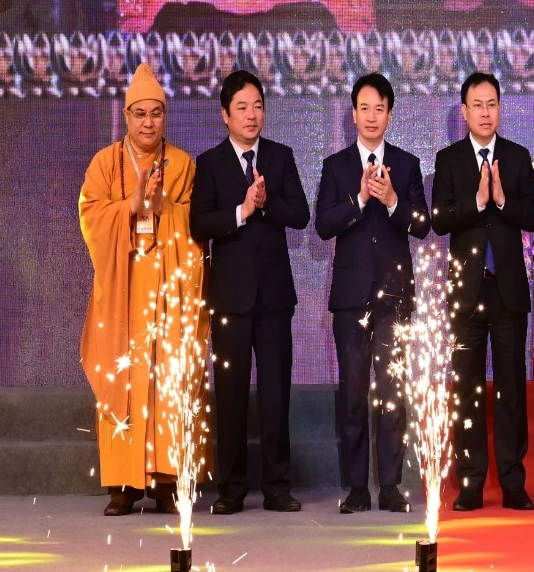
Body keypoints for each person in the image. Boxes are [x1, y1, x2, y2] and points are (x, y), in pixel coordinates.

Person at [78, 62, 208, 516]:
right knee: (124, 378)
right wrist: (131, 206)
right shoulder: (103, 163)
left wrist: (162, 206)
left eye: (156, 113)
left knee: (169, 380)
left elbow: (195, 226)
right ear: (126, 116)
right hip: (123, 291)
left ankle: (168, 480)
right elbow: (91, 219)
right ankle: (122, 485)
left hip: (169, 289)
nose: (148, 122)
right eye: (140, 114)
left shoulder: (184, 165)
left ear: (165, 117)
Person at [189, 70, 311, 514]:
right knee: (231, 394)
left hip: (275, 298)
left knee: (277, 393)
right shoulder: (211, 163)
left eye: (257, 105)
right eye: (241, 107)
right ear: (225, 114)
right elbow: (199, 224)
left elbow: (300, 214)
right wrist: (241, 211)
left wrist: (266, 203)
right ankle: (231, 489)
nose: (251, 114)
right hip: (230, 299)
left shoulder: (280, 157)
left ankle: (278, 486)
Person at [315, 72, 430, 514]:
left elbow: (423, 224)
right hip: (350, 299)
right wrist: (361, 199)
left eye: (379, 108)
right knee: (353, 394)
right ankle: (357, 489)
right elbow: (323, 226)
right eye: (363, 108)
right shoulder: (336, 166)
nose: (370, 116)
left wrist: (394, 201)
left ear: (390, 115)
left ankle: (391, 487)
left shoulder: (406, 163)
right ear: (353, 114)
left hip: (395, 297)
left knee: (393, 393)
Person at [432, 72, 534, 512]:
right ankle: (471, 483)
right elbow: (439, 219)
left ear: (500, 108)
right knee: (469, 388)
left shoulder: (516, 156)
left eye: (492, 103)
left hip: (508, 292)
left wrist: (501, 199)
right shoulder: (449, 158)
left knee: (511, 389)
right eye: (477, 104)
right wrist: (477, 203)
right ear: (464, 111)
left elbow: (531, 216)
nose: (485, 112)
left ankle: (514, 482)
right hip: (466, 294)